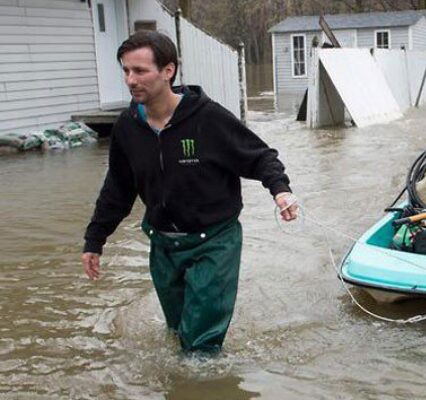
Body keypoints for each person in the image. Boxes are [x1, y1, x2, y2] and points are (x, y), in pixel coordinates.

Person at [81, 31, 298, 353]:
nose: (130, 79)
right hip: (163, 243)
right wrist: (94, 240)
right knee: (176, 330)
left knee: (199, 346)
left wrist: (280, 191)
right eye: (125, 70)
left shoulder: (208, 118)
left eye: (140, 71)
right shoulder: (128, 126)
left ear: (168, 71)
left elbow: (260, 156)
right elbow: (117, 188)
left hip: (214, 242)